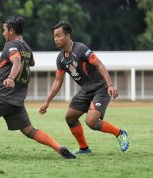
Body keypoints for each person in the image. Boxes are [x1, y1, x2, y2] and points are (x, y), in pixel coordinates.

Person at [0, 15, 76, 159]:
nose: (3, 33)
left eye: (4, 30)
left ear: (11, 31)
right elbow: (31, 63)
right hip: (16, 100)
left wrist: (10, 77)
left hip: (1, 97)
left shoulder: (10, 45)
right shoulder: (27, 47)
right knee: (29, 130)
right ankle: (59, 147)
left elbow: (16, 61)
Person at [39, 21, 129, 154]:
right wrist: (47, 101)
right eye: (54, 36)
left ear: (68, 36)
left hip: (101, 88)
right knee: (70, 117)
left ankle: (120, 133)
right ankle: (84, 148)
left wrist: (110, 84)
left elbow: (99, 64)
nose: (56, 39)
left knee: (91, 122)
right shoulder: (60, 59)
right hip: (85, 91)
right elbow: (58, 81)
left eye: (59, 36)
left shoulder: (81, 49)